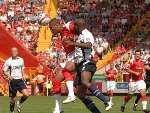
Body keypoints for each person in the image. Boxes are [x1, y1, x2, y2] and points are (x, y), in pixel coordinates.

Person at [70, 19, 112, 113]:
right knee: (80, 94)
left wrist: (74, 43)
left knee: (85, 81)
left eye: (74, 26)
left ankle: (105, 99)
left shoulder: (86, 34)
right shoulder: (80, 34)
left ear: (78, 26)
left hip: (88, 62)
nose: (73, 28)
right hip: (81, 64)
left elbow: (88, 45)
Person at [49, 18, 77, 113]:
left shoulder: (68, 26)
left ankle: (71, 94)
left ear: (56, 26)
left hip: (78, 55)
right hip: (71, 57)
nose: (51, 30)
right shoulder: (62, 34)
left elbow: (80, 29)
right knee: (56, 80)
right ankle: (58, 108)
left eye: (51, 28)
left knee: (66, 69)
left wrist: (76, 38)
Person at [3, 47, 29, 113]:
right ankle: (12, 111)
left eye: (15, 51)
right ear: (11, 52)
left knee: (26, 94)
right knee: (13, 99)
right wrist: (9, 76)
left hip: (20, 80)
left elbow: (22, 69)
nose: (14, 52)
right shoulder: (8, 61)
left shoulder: (21, 60)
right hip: (12, 81)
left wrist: (23, 75)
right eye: (13, 51)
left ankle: (19, 103)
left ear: (17, 52)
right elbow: (4, 71)